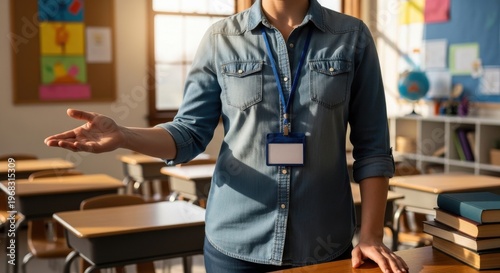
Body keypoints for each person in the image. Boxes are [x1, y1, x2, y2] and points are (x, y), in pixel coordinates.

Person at [45, 0, 409, 272]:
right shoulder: (221, 39)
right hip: (235, 246)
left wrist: (371, 235)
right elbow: (188, 133)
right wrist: (124, 135)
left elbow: (373, 147)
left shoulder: (351, 37)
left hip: (322, 243)